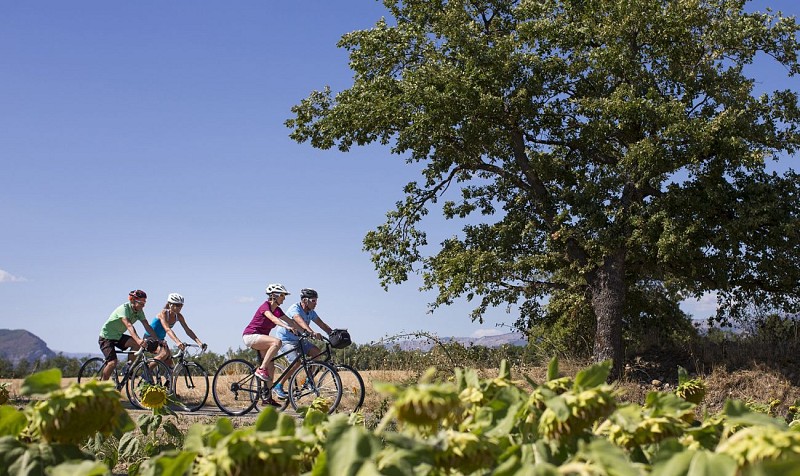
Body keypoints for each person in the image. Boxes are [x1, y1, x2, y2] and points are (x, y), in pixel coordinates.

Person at [272, 288, 334, 399]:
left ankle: (308, 381)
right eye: (313, 301)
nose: (316, 303)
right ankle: (278, 386)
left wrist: (333, 333)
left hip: (299, 339)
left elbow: (321, 324)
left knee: (317, 353)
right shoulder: (295, 308)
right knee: (296, 363)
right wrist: (311, 332)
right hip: (286, 340)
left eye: (316, 300)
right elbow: (299, 320)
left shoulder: (311, 312)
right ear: (305, 300)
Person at [242, 283, 297, 401]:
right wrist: (286, 327)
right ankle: (261, 369)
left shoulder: (277, 310)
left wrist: (306, 332)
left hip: (261, 338)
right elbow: (273, 319)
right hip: (251, 336)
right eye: (282, 295)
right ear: (274, 295)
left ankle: (267, 398)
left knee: (271, 367)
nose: (284, 298)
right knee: (277, 342)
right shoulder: (265, 306)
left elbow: (290, 321)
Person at [98, 289, 160, 381]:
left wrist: (158, 340)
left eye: (144, 303)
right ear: (133, 300)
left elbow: (147, 326)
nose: (143, 305)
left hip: (118, 336)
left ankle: (128, 367)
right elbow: (129, 325)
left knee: (136, 345)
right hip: (106, 337)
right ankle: (102, 386)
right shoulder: (124, 309)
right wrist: (139, 340)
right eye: (141, 303)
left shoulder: (139, 311)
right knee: (112, 362)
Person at [143, 293, 206, 368]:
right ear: (170, 305)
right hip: (150, 338)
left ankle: (168, 375)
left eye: (181, 305)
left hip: (161, 340)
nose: (180, 307)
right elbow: (167, 329)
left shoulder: (179, 316)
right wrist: (178, 342)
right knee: (164, 354)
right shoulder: (163, 313)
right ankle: (147, 372)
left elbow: (188, 330)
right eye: (177, 305)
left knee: (171, 366)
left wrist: (199, 343)